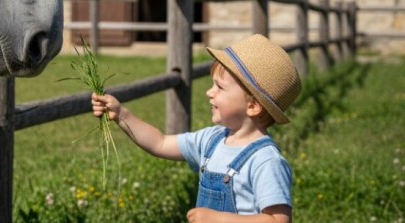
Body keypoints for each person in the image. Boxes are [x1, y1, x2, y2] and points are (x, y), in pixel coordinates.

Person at [91, 34, 302, 223]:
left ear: (253, 105)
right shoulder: (211, 140)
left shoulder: (265, 161)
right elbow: (160, 142)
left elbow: (278, 220)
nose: (210, 93)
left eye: (219, 86)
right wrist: (122, 115)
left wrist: (219, 219)